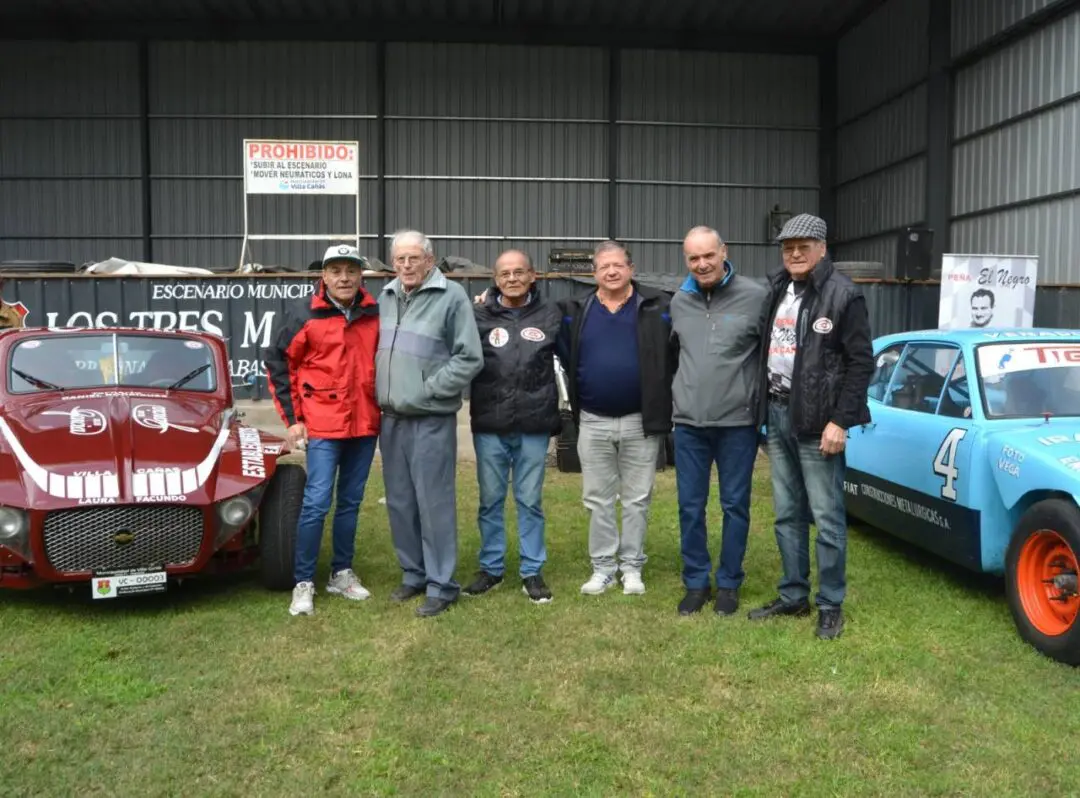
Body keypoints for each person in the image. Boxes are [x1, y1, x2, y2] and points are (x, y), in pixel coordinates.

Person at [749, 213, 874, 640]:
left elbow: (861, 363)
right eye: (788, 248)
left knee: (826, 515)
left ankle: (830, 603)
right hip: (778, 412)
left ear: (822, 249)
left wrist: (840, 420)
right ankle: (793, 594)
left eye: (804, 247)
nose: (795, 254)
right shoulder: (777, 289)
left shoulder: (843, 295)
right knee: (787, 512)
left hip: (820, 421)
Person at [264, 243, 381, 617]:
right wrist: (293, 420)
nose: (344, 278)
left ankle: (341, 573)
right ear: (323, 276)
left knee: (350, 502)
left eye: (351, 270)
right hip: (323, 424)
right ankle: (303, 582)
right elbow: (278, 363)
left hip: (364, 423)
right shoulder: (304, 313)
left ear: (361, 274)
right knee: (316, 503)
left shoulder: (375, 312)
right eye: (336, 271)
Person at [376, 229, 484, 618]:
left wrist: (428, 390)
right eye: (400, 259)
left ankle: (442, 584)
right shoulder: (386, 296)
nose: (406, 265)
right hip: (391, 419)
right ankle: (414, 573)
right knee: (400, 502)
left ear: (429, 259)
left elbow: (469, 358)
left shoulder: (451, 296)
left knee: (433, 503)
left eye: (413, 258)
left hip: (430, 419)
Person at [559, 240, 675, 596]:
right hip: (593, 420)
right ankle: (603, 569)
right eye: (604, 266)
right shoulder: (575, 310)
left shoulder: (658, 306)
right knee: (598, 499)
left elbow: (674, 353)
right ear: (594, 273)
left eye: (618, 265)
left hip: (641, 420)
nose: (611, 271)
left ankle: (632, 568)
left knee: (637, 499)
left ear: (631, 269)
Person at [670, 226, 765, 617]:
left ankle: (728, 583)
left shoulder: (756, 297)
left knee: (735, 505)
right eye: (693, 258)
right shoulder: (679, 300)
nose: (702, 264)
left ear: (724, 252)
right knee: (689, 507)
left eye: (708, 255)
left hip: (737, 423)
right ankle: (696, 582)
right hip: (689, 424)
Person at [464, 249, 562, 604]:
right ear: (495, 279)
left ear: (532, 275)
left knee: (530, 500)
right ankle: (491, 568)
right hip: (490, 423)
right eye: (505, 273)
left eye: (519, 272)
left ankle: (532, 570)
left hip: (534, 423)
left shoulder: (552, 313)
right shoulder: (477, 315)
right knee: (490, 501)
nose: (512, 278)